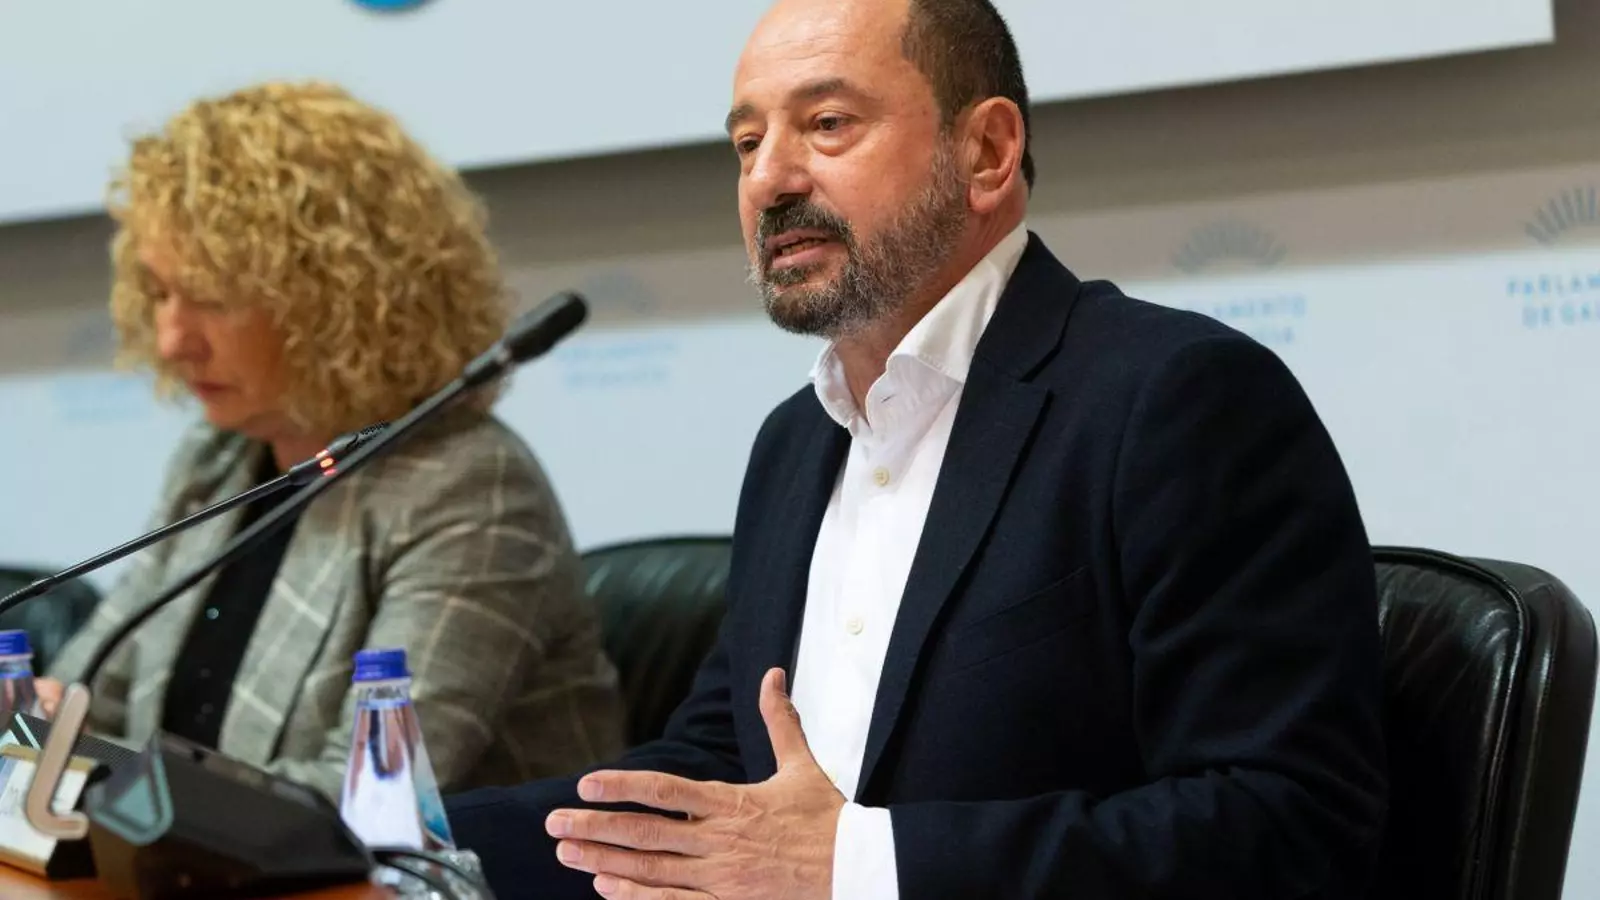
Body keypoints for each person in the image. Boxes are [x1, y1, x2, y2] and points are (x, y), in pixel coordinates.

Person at [444, 0, 1389, 896]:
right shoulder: (795, 441)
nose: (769, 180)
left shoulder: (1175, 400)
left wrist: (855, 869)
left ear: (986, 151)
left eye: (826, 125)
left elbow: (1289, 819)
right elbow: (724, 772)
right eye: (747, 143)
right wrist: (415, 846)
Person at [41, 81, 626, 801]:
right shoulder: (218, 459)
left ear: (331, 299)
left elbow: (367, 792)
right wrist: (39, 737)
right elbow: (89, 700)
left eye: (213, 298)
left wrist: (117, 791)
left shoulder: (469, 488)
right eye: (160, 293)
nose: (171, 339)